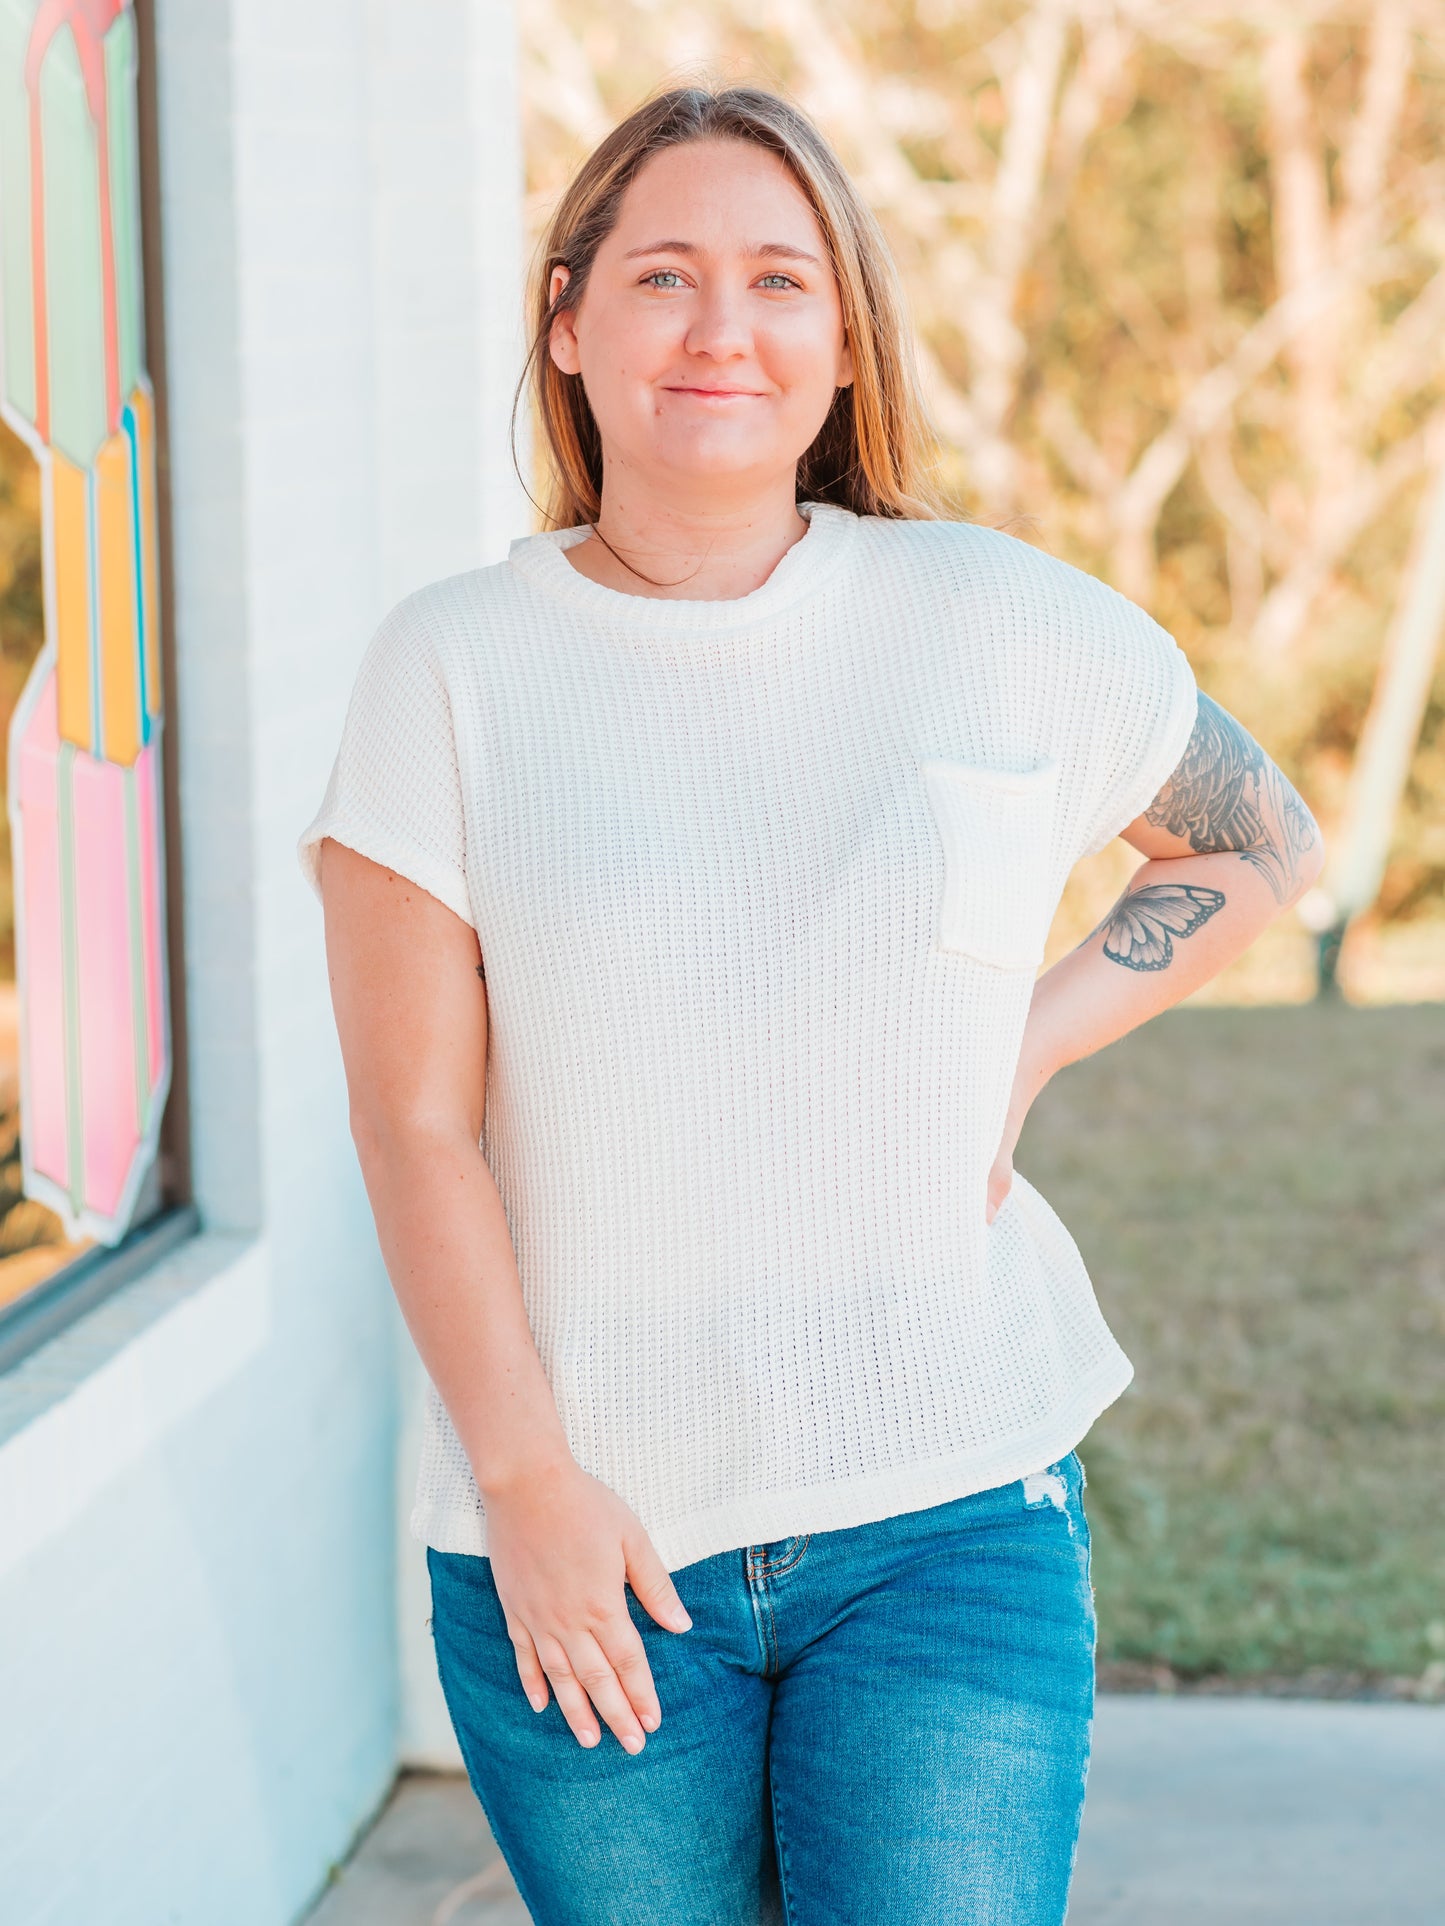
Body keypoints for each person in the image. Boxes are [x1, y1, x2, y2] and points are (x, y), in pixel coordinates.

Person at [298, 80, 1323, 1926]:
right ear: (568, 320)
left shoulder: (989, 614)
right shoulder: (447, 667)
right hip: (589, 1537)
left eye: (780, 280)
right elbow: (414, 1124)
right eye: (663, 275)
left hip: (942, 1511)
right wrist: (526, 1477)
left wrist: (1030, 1036)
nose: (721, 329)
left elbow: (1255, 837)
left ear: (841, 341)